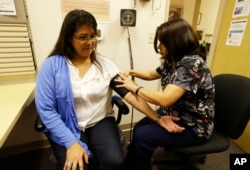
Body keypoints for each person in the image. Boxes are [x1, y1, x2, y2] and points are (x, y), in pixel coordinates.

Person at [35, 9, 174, 170]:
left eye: (93, 36)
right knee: (77, 166)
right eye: (83, 37)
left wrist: (157, 118)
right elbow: (46, 109)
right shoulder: (52, 66)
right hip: (66, 124)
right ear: (68, 39)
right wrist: (71, 143)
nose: (90, 42)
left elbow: (130, 95)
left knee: (115, 162)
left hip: (100, 120)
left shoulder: (104, 65)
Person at [115, 18, 215, 170]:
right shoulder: (172, 61)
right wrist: (131, 71)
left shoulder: (193, 65)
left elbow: (165, 99)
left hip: (194, 125)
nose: (158, 46)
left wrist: (134, 87)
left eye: (162, 42)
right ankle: (134, 162)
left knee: (143, 136)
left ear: (175, 41)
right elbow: (150, 74)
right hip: (175, 112)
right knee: (138, 128)